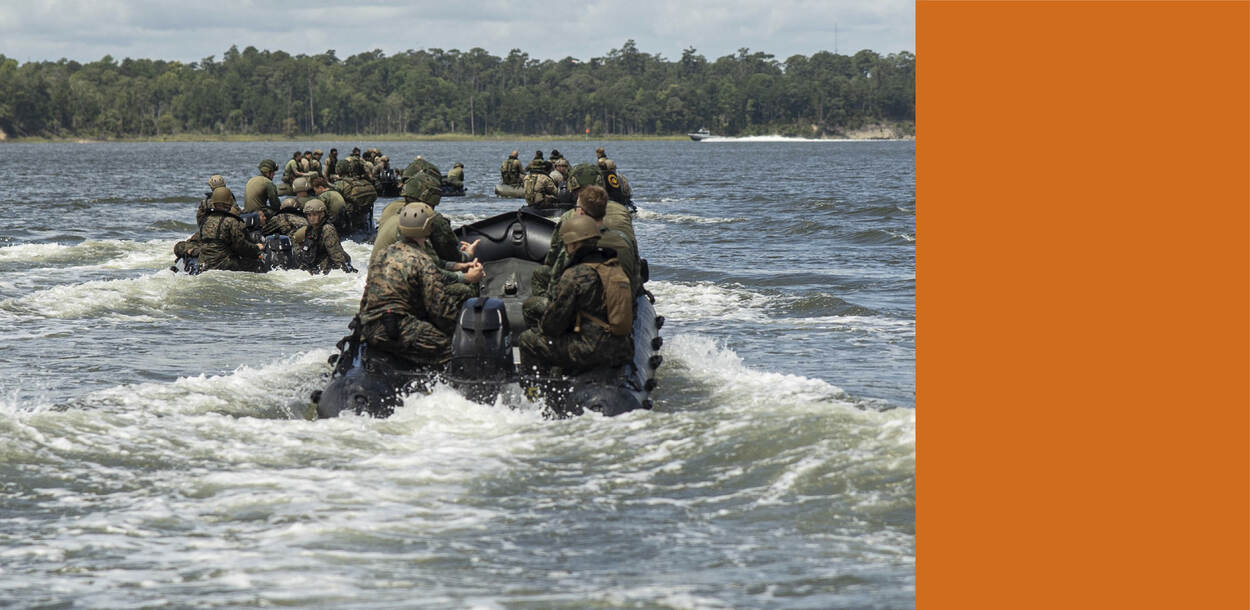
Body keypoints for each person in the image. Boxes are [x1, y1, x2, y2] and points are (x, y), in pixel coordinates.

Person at [356, 202, 473, 365]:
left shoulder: (382, 254)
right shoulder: (422, 260)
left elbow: (366, 297)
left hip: (368, 326)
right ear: (428, 229)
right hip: (397, 328)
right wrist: (460, 332)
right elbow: (440, 311)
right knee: (452, 350)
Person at [517, 214, 633, 374]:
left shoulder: (575, 275)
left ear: (573, 244)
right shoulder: (614, 267)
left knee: (527, 339)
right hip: (622, 348)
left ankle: (539, 385)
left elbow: (553, 325)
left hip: (591, 350)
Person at [198, 187, 264, 272]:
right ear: (229, 202)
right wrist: (256, 248)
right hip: (223, 264)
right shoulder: (231, 221)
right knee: (256, 263)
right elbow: (240, 246)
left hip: (203, 264)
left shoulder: (205, 219)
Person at [293, 199, 356, 274]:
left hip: (328, 267)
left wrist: (345, 272)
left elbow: (336, 255)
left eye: (314, 215)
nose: (311, 218)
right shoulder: (310, 229)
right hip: (315, 265)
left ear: (322, 214)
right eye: (309, 215)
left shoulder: (327, 229)